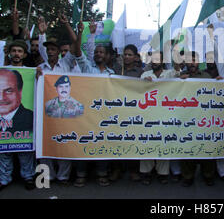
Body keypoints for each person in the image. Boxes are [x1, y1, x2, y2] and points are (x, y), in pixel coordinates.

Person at [36, 14, 80, 186]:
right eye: (49, 50)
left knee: (64, 142)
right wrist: (42, 33)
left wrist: (68, 24)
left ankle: (62, 177)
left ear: (59, 52)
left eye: (54, 49)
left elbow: (75, 44)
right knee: (45, 144)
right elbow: (40, 48)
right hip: (46, 111)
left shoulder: (66, 64)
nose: (51, 52)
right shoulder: (41, 68)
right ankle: (46, 177)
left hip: (64, 110)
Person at [0, 65, 35, 194]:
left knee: (26, 151)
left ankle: (29, 177)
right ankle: (2, 180)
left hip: (25, 137)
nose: (1, 98)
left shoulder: (31, 118)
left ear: (19, 92)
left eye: (8, 91)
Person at [71, 21, 115, 188]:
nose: (98, 54)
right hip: (87, 114)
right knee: (85, 142)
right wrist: (85, 34)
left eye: (101, 52)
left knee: (102, 143)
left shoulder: (113, 74)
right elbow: (78, 53)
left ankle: (102, 173)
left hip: (105, 115)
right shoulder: (87, 68)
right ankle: (81, 175)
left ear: (108, 56)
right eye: (96, 52)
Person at [139, 51, 181, 185]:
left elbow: (178, 73)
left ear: (163, 61)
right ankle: (146, 172)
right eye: (153, 59)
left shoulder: (169, 74)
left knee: (163, 141)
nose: (155, 61)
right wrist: (144, 83)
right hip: (149, 113)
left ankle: (162, 173)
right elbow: (137, 90)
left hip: (165, 112)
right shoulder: (145, 74)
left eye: (158, 59)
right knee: (148, 141)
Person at [179, 52, 216, 187]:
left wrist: (221, 82)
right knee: (187, 147)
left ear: (199, 62)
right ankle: (188, 176)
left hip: (203, 117)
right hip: (185, 118)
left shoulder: (206, 76)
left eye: (194, 60)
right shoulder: (180, 77)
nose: (192, 63)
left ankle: (208, 175)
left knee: (205, 146)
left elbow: (213, 92)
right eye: (189, 61)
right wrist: (179, 82)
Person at [108, 44, 143, 183]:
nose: (127, 57)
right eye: (125, 55)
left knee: (132, 140)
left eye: (130, 55)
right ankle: (116, 169)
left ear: (135, 57)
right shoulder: (115, 70)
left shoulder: (140, 73)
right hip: (116, 110)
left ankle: (133, 170)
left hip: (133, 112)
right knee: (116, 141)